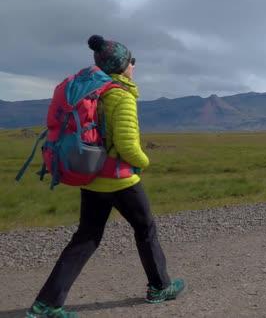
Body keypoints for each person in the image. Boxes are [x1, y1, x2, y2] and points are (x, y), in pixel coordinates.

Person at [26, 35, 186, 318]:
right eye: (131, 61)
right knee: (145, 229)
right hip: (120, 179)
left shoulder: (94, 92)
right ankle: (159, 287)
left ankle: (46, 303)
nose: (134, 66)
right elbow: (127, 146)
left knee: (87, 237)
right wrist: (145, 161)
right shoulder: (120, 95)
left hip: (92, 177)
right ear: (122, 65)